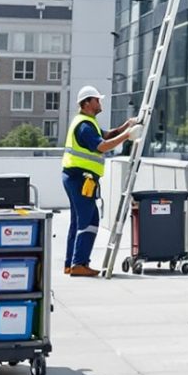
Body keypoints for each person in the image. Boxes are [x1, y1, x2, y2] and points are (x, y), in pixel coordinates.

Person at [61, 87, 138, 277]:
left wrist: (125, 127)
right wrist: (127, 136)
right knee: (89, 220)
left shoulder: (87, 123)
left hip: (76, 177)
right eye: (97, 100)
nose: (100, 103)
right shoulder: (84, 126)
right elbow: (102, 146)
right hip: (81, 178)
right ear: (87, 103)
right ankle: (79, 264)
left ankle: (71, 264)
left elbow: (105, 135)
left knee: (78, 221)